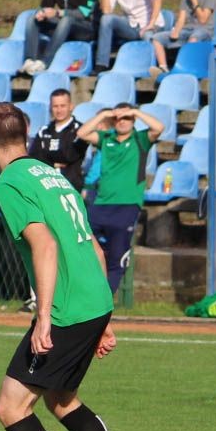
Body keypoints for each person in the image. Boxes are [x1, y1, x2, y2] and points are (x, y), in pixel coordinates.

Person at [0, 101, 146, 431]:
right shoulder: (52, 175)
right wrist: (103, 317)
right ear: (27, 136)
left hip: (68, 307)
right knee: (63, 400)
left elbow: (46, 245)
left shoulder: (9, 182)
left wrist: (43, 319)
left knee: (12, 407)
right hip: (92, 300)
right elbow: (93, 246)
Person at [76, 102, 164, 292]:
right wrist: (105, 114)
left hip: (127, 205)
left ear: (133, 120)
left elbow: (159, 127)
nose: (122, 122)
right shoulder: (106, 138)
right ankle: (85, 295)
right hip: (101, 204)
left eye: (127, 118)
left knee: (118, 257)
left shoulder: (140, 139)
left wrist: (136, 112)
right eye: (119, 118)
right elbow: (82, 133)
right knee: (82, 249)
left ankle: (105, 302)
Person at [20, 0, 99, 75]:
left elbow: (84, 13)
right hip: (64, 26)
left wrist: (57, 13)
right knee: (32, 18)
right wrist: (42, 13)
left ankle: (45, 62)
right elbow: (46, 6)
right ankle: (29, 60)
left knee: (66, 20)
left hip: (86, 28)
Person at [95, 0, 164, 73]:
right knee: (106, 19)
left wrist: (151, 24)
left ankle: (150, 69)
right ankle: (101, 64)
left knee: (147, 35)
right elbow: (106, 11)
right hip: (132, 26)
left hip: (151, 25)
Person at [150, 0, 216, 77]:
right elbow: (181, 18)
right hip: (187, 30)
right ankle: (163, 68)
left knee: (194, 38)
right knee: (157, 38)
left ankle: (190, 67)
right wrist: (176, 31)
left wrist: (194, 0)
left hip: (204, 30)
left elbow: (203, 20)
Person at [28, 88, 89, 192]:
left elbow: (69, 156)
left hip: (71, 188)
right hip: (47, 188)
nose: (59, 110)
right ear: (50, 108)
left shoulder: (80, 130)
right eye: (55, 106)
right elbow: (34, 158)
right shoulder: (44, 131)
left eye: (62, 106)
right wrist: (52, 163)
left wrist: (46, 156)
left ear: (71, 106)